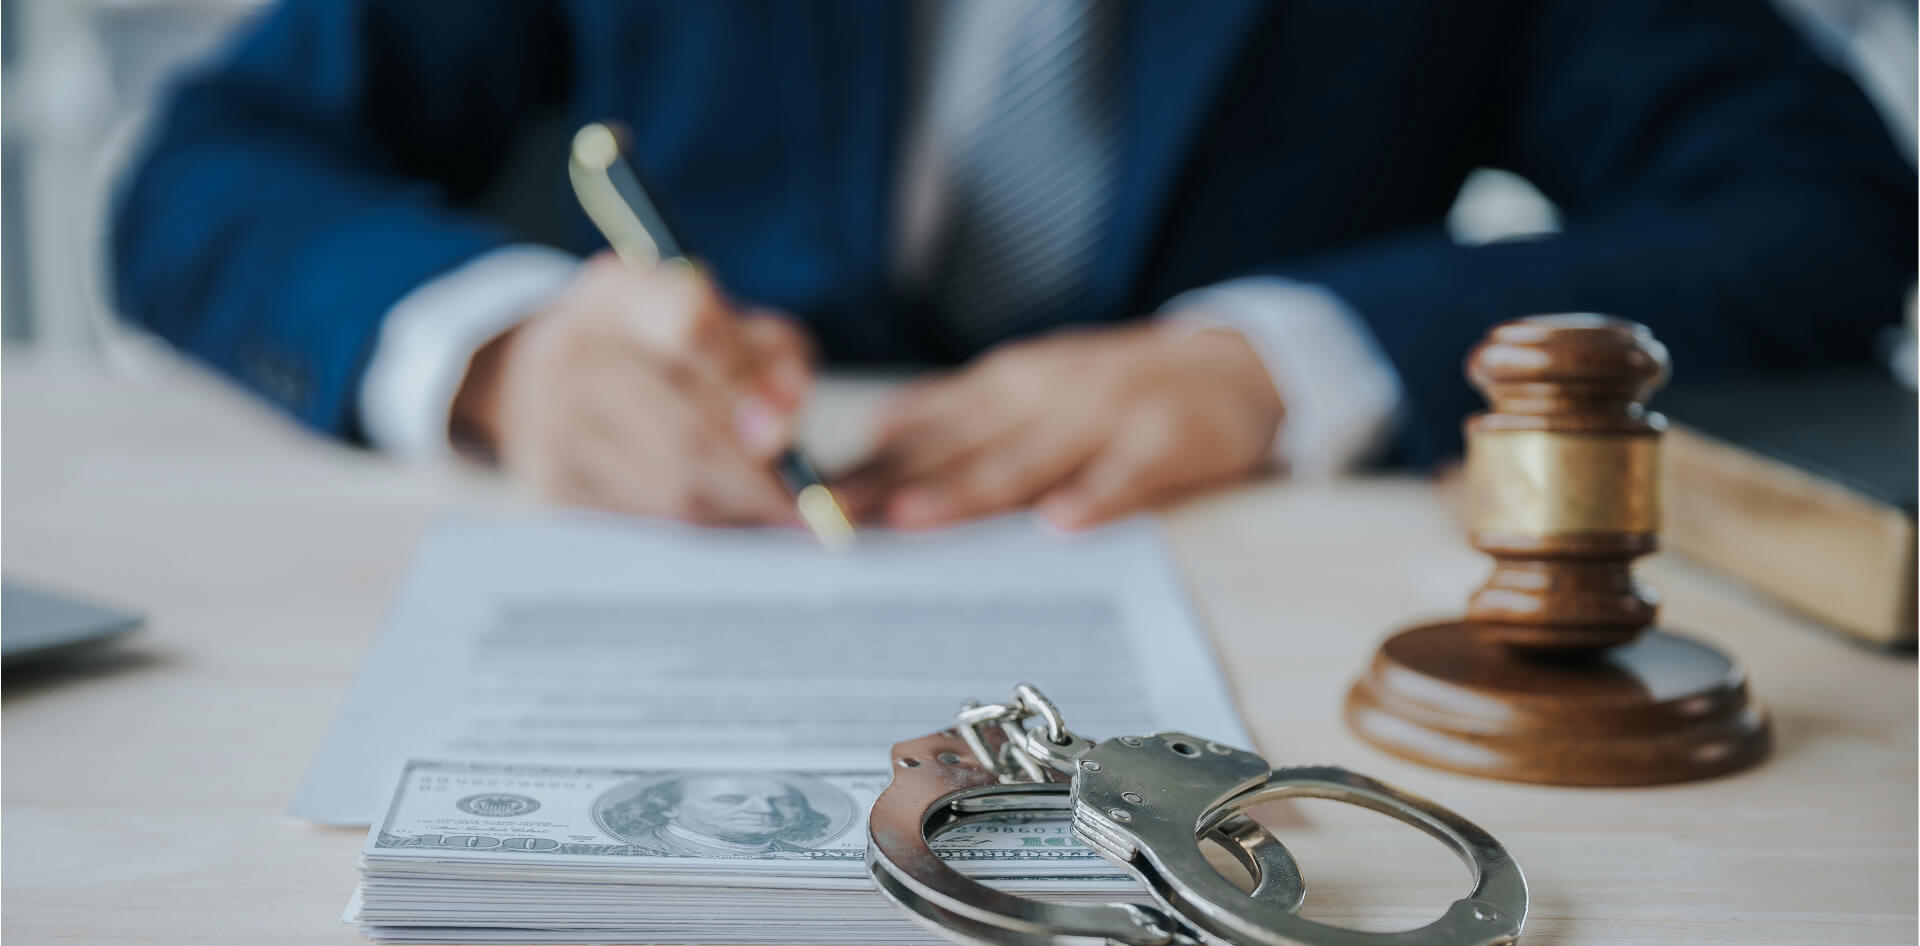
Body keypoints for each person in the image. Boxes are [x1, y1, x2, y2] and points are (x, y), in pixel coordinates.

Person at [112, 0, 1915, 531]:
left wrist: (1286, 358)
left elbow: (1818, 202)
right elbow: (205, 171)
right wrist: (503, 355)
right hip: (699, 535)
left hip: (1272, 584)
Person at [596, 774, 834, 858]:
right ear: (668, 806)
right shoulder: (629, 852)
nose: (765, 809)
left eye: (784, 802)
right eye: (730, 800)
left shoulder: (801, 855)